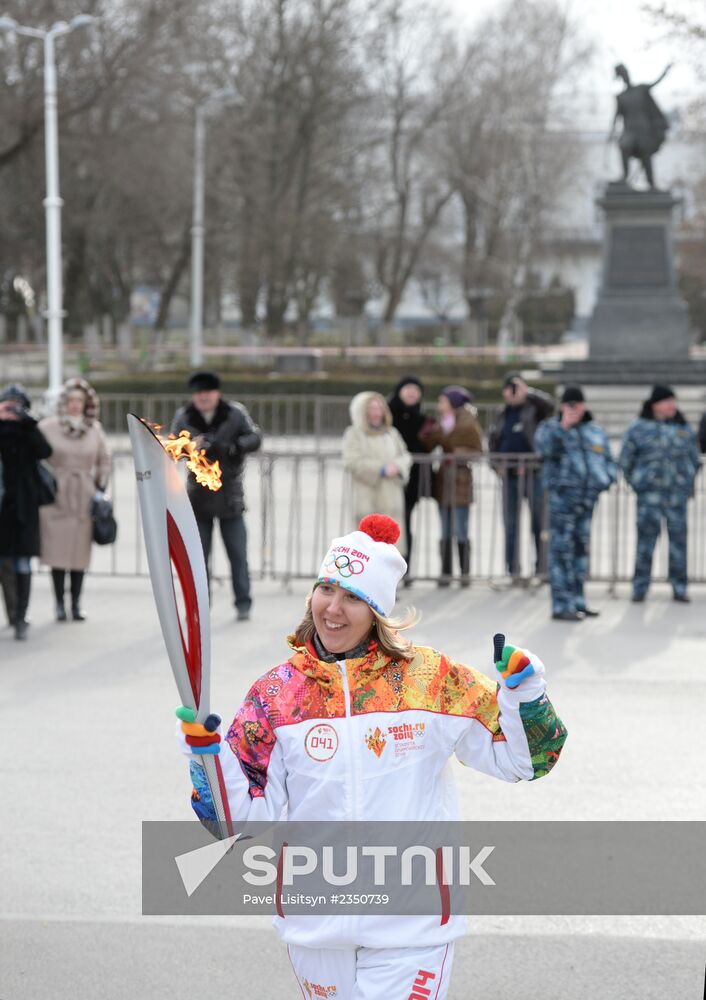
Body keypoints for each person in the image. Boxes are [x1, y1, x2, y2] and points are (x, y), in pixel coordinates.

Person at [176, 513, 567, 1000]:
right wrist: (207, 760)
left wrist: (524, 696)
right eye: (326, 589)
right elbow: (238, 822)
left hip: (413, 924)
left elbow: (524, 761)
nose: (333, 609)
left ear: (379, 610)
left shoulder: (429, 679)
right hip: (315, 926)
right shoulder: (277, 694)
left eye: (353, 597)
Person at [171, 371, 262, 622]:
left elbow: (254, 437)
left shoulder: (234, 413)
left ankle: (243, 602)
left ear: (217, 393)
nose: (203, 397)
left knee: (238, 554)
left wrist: (234, 448)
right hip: (198, 497)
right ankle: (200, 606)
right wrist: (191, 446)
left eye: (207, 392)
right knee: (199, 558)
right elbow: (172, 448)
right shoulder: (184, 416)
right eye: (198, 393)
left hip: (230, 495)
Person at [535, 386, 616, 622]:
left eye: (578, 404)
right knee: (561, 552)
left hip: (587, 501)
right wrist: (564, 427)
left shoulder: (594, 430)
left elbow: (607, 459)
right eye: (570, 404)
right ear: (562, 406)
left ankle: (578, 601)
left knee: (581, 552)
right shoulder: (551, 428)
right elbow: (543, 449)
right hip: (562, 502)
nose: (575, 409)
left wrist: (606, 480)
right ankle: (561, 604)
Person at [38, 378, 112, 622]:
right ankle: (59, 604)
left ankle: (76, 604)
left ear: (87, 403)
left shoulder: (94, 429)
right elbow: (37, 457)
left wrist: (100, 488)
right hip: (56, 496)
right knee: (57, 553)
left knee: (80, 554)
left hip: (84, 496)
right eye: (70, 401)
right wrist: (46, 483)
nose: (75, 406)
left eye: (79, 401)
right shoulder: (48, 427)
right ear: (63, 403)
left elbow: (104, 460)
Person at [620, 384, 699, 603]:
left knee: (679, 544)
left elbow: (694, 458)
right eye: (667, 401)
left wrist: (686, 482)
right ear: (655, 404)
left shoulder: (682, 427)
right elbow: (626, 460)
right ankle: (640, 586)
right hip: (649, 498)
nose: (672, 405)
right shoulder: (638, 427)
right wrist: (637, 483)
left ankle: (680, 587)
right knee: (645, 544)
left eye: (673, 401)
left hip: (676, 498)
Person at [488, 372, 554, 578]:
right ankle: (513, 568)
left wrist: (528, 392)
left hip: (534, 474)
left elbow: (551, 406)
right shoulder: (502, 414)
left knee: (539, 522)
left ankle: (541, 567)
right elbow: (493, 442)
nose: (513, 392)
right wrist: (495, 465)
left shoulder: (534, 409)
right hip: (510, 475)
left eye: (516, 388)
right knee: (511, 525)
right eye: (510, 388)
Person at [0, 384, 52, 639]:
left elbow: (45, 451)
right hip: (2, 508)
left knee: (22, 562)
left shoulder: (28, 430)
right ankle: (13, 614)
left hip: (22, 509)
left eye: (15, 404)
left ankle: (20, 616)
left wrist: (27, 423)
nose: (10, 409)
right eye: (6, 404)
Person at [420, 386, 483, 587]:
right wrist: (427, 433)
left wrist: (456, 453)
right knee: (445, 529)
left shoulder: (467, 422)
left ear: (452, 403)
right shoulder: (443, 423)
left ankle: (464, 573)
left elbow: (477, 450)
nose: (439, 405)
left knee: (461, 528)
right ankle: (446, 572)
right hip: (444, 481)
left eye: (442, 401)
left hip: (461, 481)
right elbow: (430, 445)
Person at [342, 391, 411, 552]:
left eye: (379, 408)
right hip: (367, 495)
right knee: (366, 548)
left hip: (391, 497)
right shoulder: (354, 434)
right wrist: (380, 469)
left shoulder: (391, 433)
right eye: (371, 408)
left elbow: (405, 456)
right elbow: (352, 461)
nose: (376, 413)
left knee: (390, 548)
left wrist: (397, 467)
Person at [387, 375, 427, 582]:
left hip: (410, 481)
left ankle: (403, 568)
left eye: (416, 389)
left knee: (405, 524)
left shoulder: (421, 417)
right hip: (388, 479)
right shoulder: (388, 414)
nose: (412, 392)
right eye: (408, 388)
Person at [611, 62, 672, 189]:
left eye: (626, 73)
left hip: (645, 130)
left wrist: (665, 72)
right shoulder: (621, 97)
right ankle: (625, 176)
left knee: (646, 154)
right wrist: (611, 132)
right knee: (624, 147)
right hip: (630, 131)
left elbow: (656, 82)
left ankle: (651, 183)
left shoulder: (641, 89)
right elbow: (617, 116)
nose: (625, 77)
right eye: (623, 75)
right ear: (620, 78)